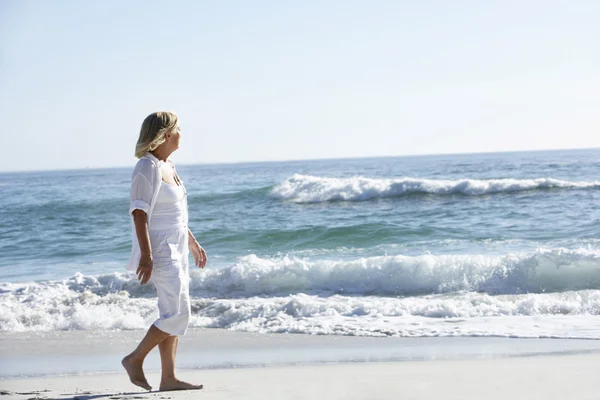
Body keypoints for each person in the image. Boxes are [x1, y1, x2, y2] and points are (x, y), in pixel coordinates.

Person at [121, 111, 207, 391]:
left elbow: (175, 214)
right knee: (178, 312)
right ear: (166, 134)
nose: (182, 133)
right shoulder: (147, 167)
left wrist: (192, 242)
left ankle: (168, 378)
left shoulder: (167, 164)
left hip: (177, 245)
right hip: (159, 249)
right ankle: (134, 359)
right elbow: (139, 213)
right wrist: (146, 256)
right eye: (178, 128)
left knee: (172, 310)